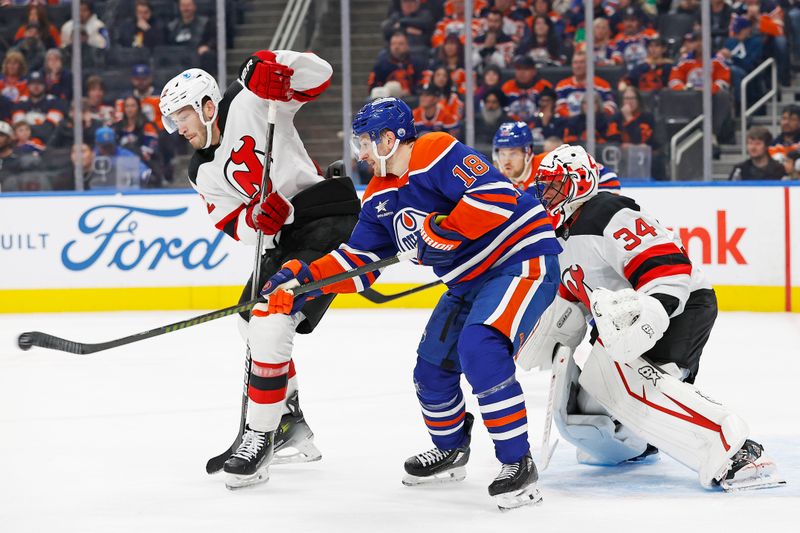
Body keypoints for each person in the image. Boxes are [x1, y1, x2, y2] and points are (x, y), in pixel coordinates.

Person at [259, 97, 562, 510]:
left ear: (390, 137)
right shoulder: (381, 194)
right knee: (431, 369)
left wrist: (445, 229)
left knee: (480, 347)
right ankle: (451, 450)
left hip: (519, 262)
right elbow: (359, 263)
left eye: (365, 142)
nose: (361, 153)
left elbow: (496, 198)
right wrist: (302, 279)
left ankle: (518, 464)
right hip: (467, 281)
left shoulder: (433, 150)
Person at [516, 143, 784, 492]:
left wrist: (650, 316)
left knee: (636, 387)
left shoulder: (606, 211)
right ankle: (639, 444)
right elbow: (574, 293)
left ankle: (738, 451)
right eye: (544, 185)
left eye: (554, 184)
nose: (546, 194)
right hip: (628, 322)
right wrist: (547, 334)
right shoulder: (562, 233)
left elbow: (669, 267)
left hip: (680, 307)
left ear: (579, 182)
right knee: (591, 404)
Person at [159, 50, 360, 489]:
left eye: (183, 116)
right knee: (247, 318)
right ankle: (290, 424)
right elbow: (231, 221)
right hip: (287, 236)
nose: (181, 128)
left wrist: (273, 62)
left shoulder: (251, 99)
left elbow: (320, 75)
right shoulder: (200, 170)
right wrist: (255, 221)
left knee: (270, 317)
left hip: (325, 214)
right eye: (173, 121)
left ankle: (260, 435)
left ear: (208, 105)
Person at [492, 121, 621, 192]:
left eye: (513, 153)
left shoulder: (551, 163)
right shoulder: (498, 181)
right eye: (502, 154)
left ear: (528, 152)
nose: (506, 160)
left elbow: (607, 178)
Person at [555, 51, 617, 117]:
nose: (578, 66)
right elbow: (559, 108)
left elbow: (610, 107)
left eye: (582, 62)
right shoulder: (562, 85)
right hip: (570, 123)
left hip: (596, 123)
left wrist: (595, 117)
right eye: (575, 63)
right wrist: (577, 119)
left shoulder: (602, 85)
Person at [11, 71, 65, 145]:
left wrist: (28, 130)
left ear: (45, 85)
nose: (36, 86)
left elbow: (48, 129)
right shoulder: (20, 102)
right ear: (28, 86)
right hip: (22, 144)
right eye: (33, 83)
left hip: (48, 144)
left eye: (39, 83)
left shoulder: (54, 102)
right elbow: (19, 128)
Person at [368, 31, 424, 97]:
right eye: (393, 44)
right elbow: (372, 85)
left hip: (411, 99)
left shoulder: (417, 63)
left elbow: (422, 84)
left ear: (407, 45)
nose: (396, 47)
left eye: (400, 44)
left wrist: (410, 91)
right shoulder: (381, 65)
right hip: (387, 98)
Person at [502, 55, 553, 127]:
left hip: (538, 126)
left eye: (526, 69)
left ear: (534, 71)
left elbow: (549, 110)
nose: (522, 73)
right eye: (519, 69)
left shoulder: (544, 86)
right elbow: (504, 111)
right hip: (512, 126)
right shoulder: (507, 87)